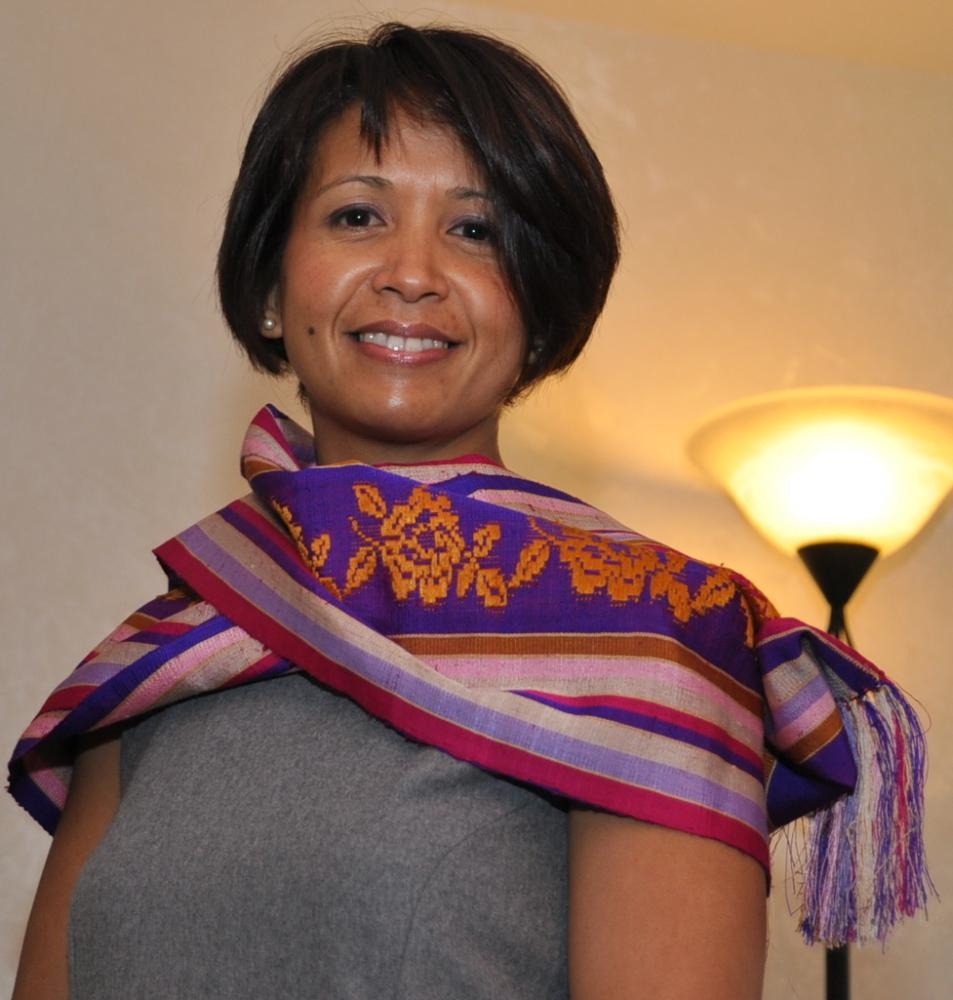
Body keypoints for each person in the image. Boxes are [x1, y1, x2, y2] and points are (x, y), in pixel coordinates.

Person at [8, 22, 930, 1000]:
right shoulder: (162, 661)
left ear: (536, 312)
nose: (412, 272)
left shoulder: (649, 643)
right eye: (357, 215)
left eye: (475, 231)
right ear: (271, 287)